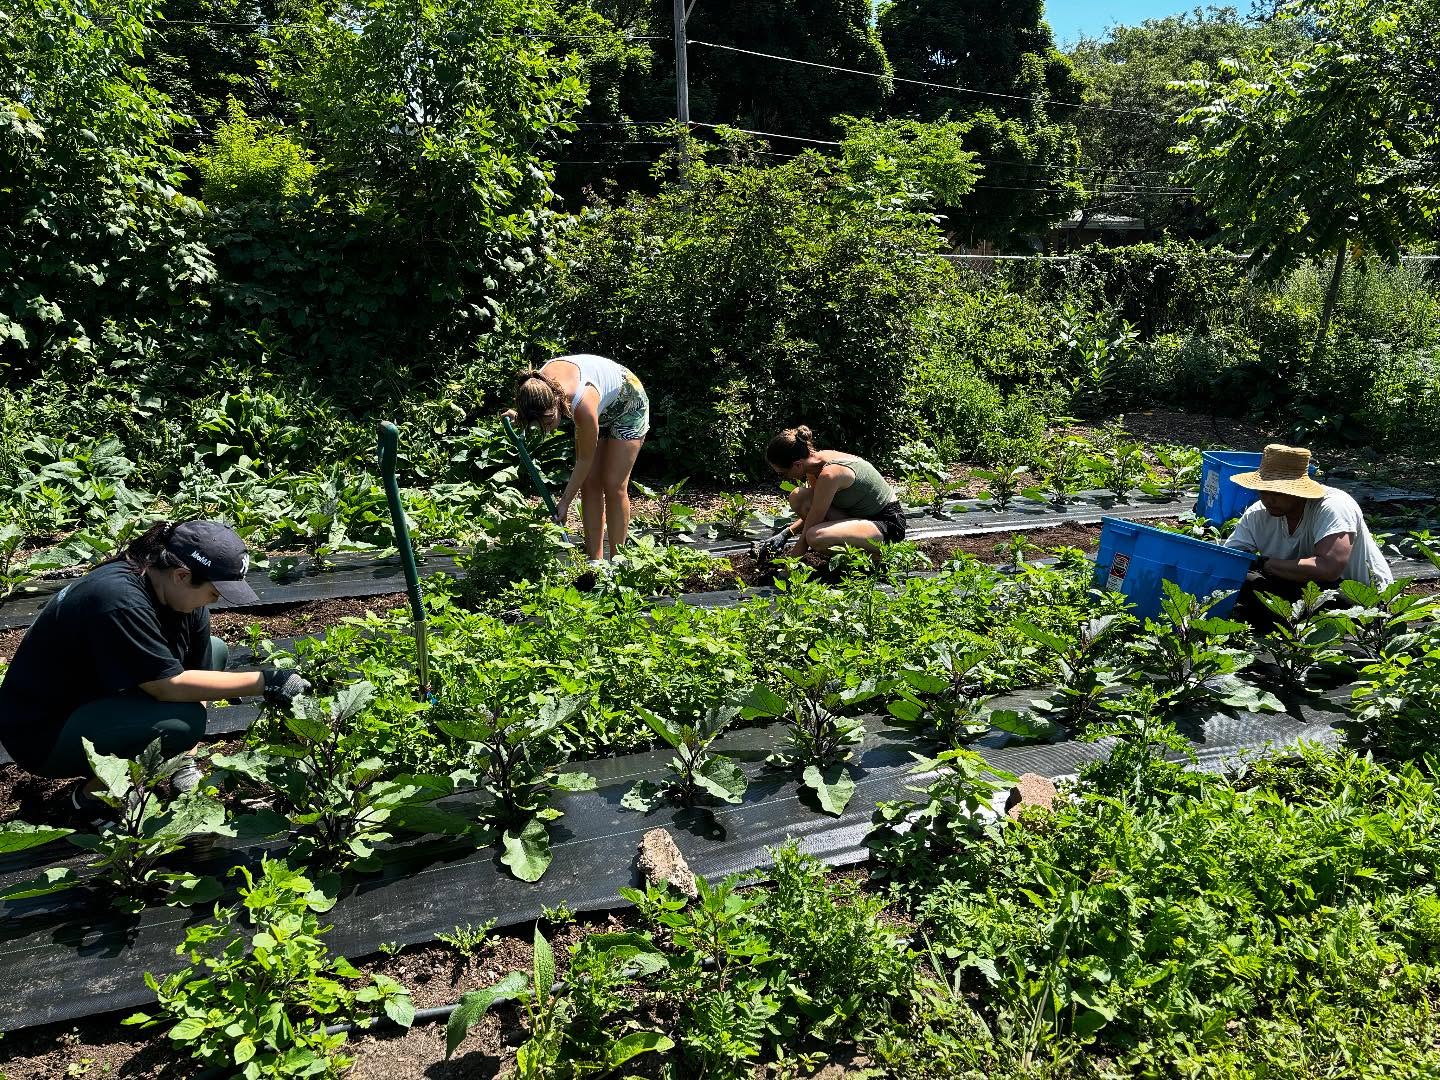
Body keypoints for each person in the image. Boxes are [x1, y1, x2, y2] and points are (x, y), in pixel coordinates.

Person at [0, 520, 311, 807]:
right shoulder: (118, 598)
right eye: (214, 592)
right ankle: (87, 799)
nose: (216, 600)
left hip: (94, 698)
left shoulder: (178, 595)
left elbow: (198, 674)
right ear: (181, 576)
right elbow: (166, 687)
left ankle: (178, 763)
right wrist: (267, 681)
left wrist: (183, 756)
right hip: (43, 732)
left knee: (214, 652)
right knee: (180, 722)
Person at [1222, 443, 1392, 627]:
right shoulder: (1258, 514)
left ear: (1298, 489)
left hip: (1358, 598)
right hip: (1297, 586)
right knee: (1242, 583)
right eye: (1263, 490)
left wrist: (1265, 564)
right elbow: (1227, 561)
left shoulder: (1333, 507)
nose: (1268, 499)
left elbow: (1328, 568)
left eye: (1277, 492)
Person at [509, 355, 650, 563]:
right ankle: (595, 562)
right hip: (601, 406)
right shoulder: (535, 388)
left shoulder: (581, 403)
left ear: (557, 401)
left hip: (628, 403)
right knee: (590, 482)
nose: (547, 428)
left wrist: (565, 502)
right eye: (539, 423)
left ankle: (618, 562)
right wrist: (519, 417)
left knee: (613, 484)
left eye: (549, 419)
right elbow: (534, 411)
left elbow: (584, 460)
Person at [759, 426, 907, 558]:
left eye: (782, 473)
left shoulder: (830, 474)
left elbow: (813, 523)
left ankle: (877, 558)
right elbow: (815, 512)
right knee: (800, 498)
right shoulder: (813, 465)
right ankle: (846, 546)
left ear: (797, 465)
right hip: (860, 516)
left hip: (887, 524)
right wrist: (787, 533)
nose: (782, 477)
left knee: (815, 537)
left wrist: (789, 567)